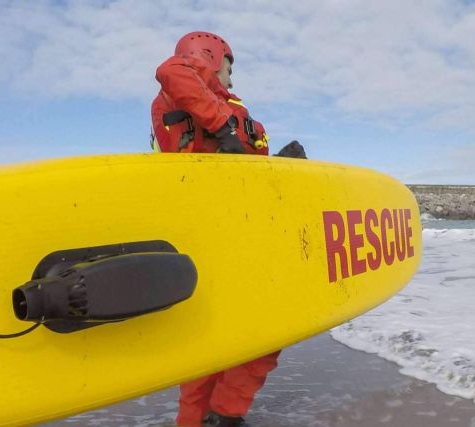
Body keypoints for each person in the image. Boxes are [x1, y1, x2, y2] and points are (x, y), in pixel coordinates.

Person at [151, 31, 305, 427]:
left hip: (236, 232)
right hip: (212, 234)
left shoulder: (229, 109)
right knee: (267, 331)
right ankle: (225, 417)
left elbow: (246, 176)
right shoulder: (183, 87)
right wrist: (223, 128)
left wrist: (282, 168)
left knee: (214, 345)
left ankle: (213, 419)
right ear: (211, 56)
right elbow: (171, 71)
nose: (232, 78)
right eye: (229, 67)